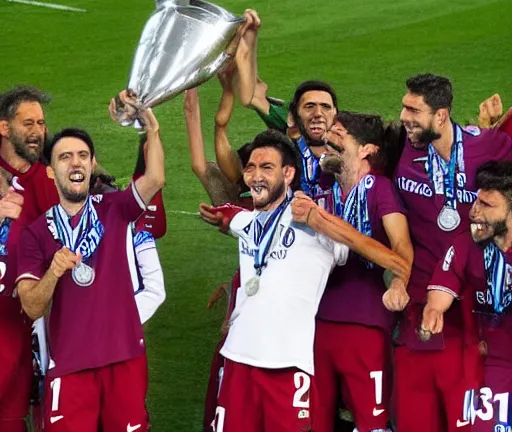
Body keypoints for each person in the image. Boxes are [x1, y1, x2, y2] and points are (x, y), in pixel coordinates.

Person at [16, 104, 165, 431]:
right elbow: (31, 305)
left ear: (93, 164)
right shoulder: (36, 233)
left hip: (124, 359)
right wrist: (53, 272)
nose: (76, 162)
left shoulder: (115, 207)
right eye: (65, 157)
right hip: (69, 366)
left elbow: (154, 178)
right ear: (51, 171)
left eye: (83, 155)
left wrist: (150, 128)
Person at [201, 129, 350, 432]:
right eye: (250, 168)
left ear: (288, 173)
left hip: (288, 364)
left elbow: (348, 248)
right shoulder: (245, 221)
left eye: (266, 168)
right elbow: (230, 217)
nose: (256, 176)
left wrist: (318, 217)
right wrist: (222, 216)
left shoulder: (312, 221)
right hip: (237, 359)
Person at [393, 73, 512, 432]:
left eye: (413, 109)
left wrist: (490, 124)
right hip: (435, 289)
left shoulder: (489, 144)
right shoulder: (400, 147)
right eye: (404, 106)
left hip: (482, 297)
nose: (403, 116)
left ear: (440, 115)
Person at [311, 112, 413, 432]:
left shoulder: (379, 188)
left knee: (371, 423)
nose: (329, 139)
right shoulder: (323, 187)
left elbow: (401, 245)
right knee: (313, 421)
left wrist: (398, 284)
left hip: (364, 322)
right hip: (315, 321)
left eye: (339, 134)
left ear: (366, 150)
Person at [421, 160, 512, 432]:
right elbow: (441, 288)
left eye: (487, 205)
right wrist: (433, 311)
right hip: (496, 363)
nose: (474, 212)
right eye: (476, 201)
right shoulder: (467, 243)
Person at [0, 85, 58, 432]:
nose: (38, 132)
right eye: (28, 123)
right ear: (4, 127)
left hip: (20, 322)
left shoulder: (50, 183)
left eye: (41, 123)